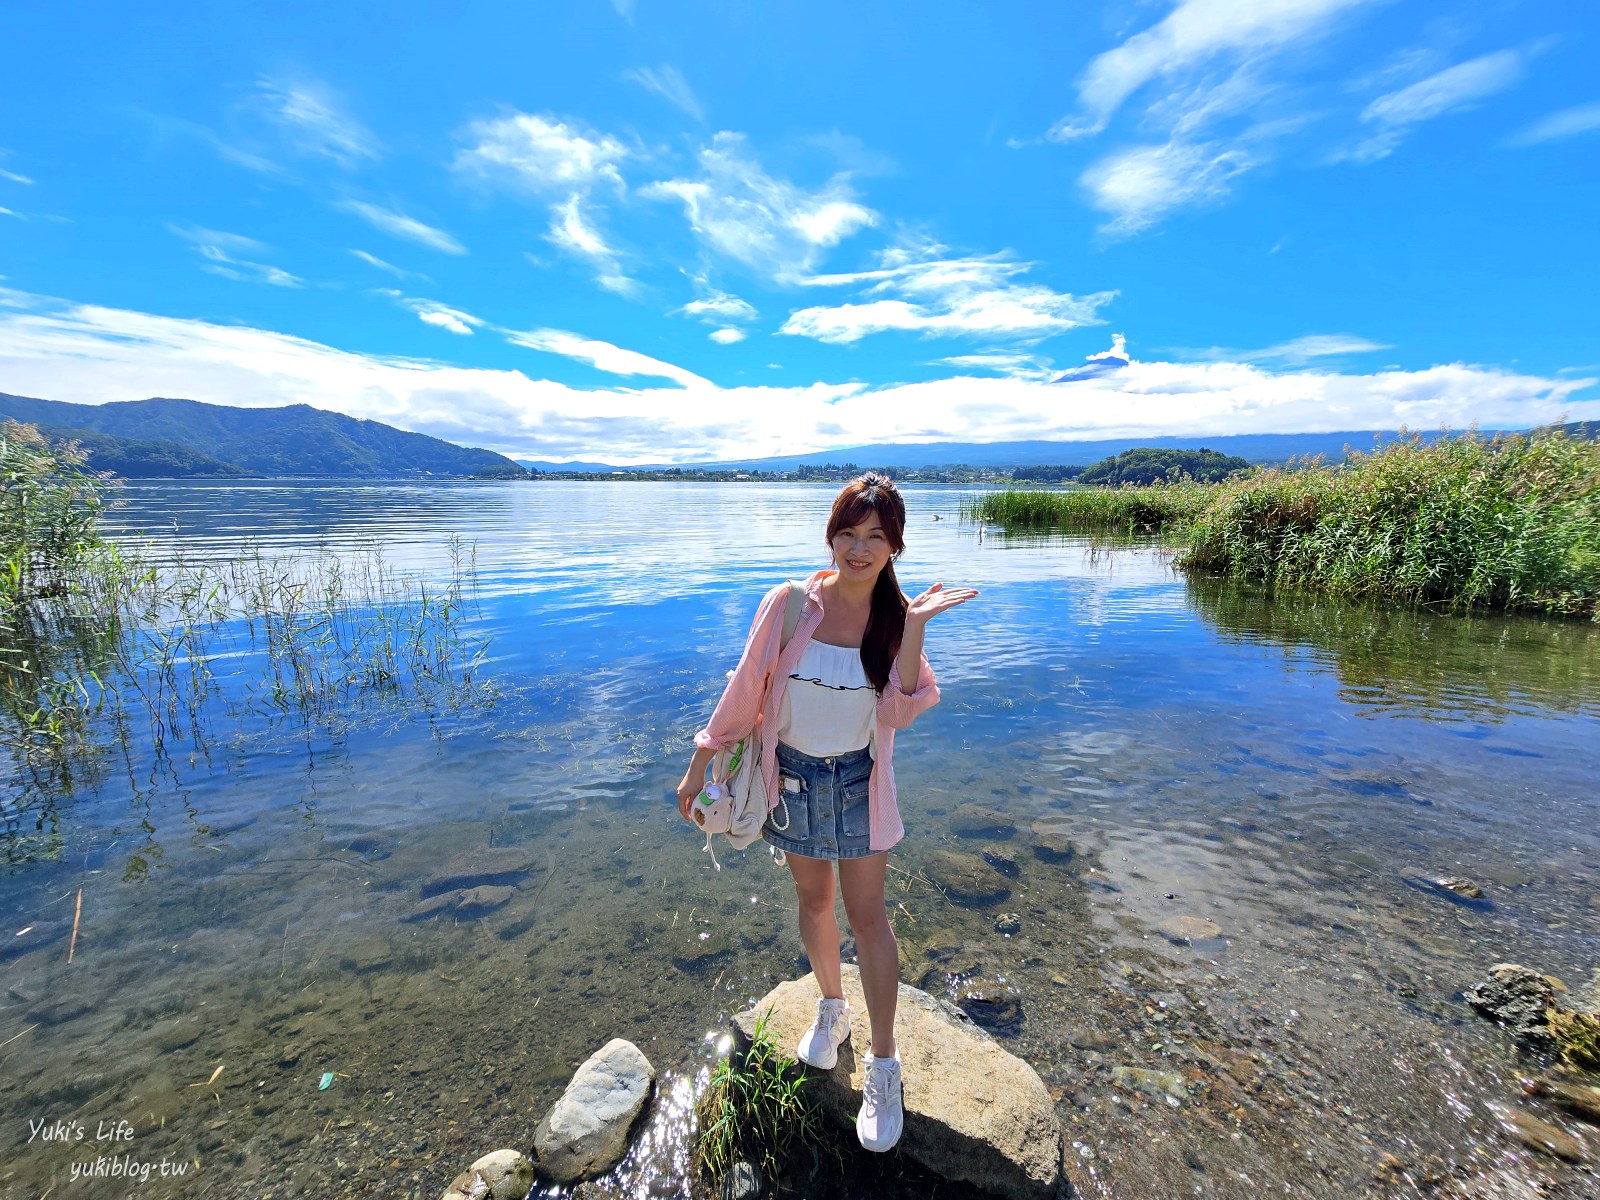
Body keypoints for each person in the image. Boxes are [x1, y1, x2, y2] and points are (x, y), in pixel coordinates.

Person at [677, 472, 977, 1152]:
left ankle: (884, 1064)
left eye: (875, 536)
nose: (859, 547)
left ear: (895, 546)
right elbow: (744, 689)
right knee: (813, 903)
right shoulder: (789, 605)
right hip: (794, 782)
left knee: (869, 919)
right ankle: (833, 1008)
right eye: (848, 531)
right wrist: (700, 760)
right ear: (831, 536)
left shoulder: (896, 620)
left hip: (857, 784)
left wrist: (916, 630)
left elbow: (902, 709)